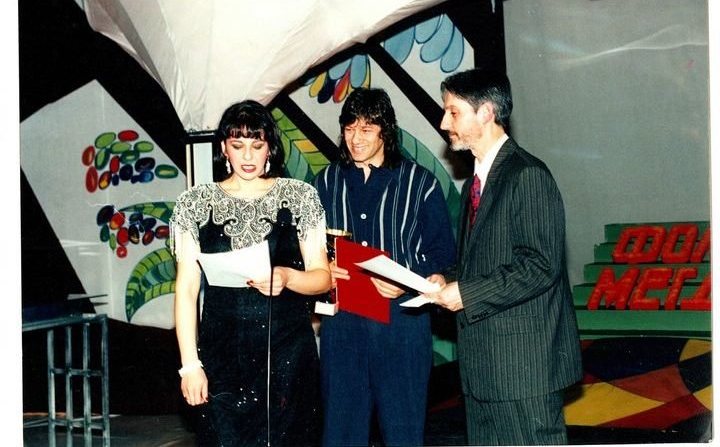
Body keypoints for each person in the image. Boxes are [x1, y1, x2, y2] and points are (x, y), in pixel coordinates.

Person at [425, 69, 583, 445]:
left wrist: (466, 293)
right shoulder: (475, 183)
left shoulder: (527, 175)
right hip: (483, 370)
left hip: (523, 372)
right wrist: (448, 278)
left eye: (453, 112)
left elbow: (540, 265)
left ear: (486, 112)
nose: (444, 122)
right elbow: (481, 262)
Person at [170, 100, 332, 446]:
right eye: (238, 144)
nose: (247, 155)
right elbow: (186, 290)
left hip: (288, 355)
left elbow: (324, 277)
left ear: (270, 148)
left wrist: (288, 277)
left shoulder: (300, 197)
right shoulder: (194, 203)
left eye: (257, 145)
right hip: (221, 356)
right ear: (223, 148)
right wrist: (190, 365)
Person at [313, 88, 456, 447]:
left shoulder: (420, 183)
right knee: (340, 433)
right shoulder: (324, 182)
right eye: (349, 128)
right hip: (342, 323)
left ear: (385, 131)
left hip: (401, 325)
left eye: (367, 129)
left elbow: (443, 254)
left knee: (403, 432)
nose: (356, 138)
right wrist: (324, 266)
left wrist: (411, 280)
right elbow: (306, 248)